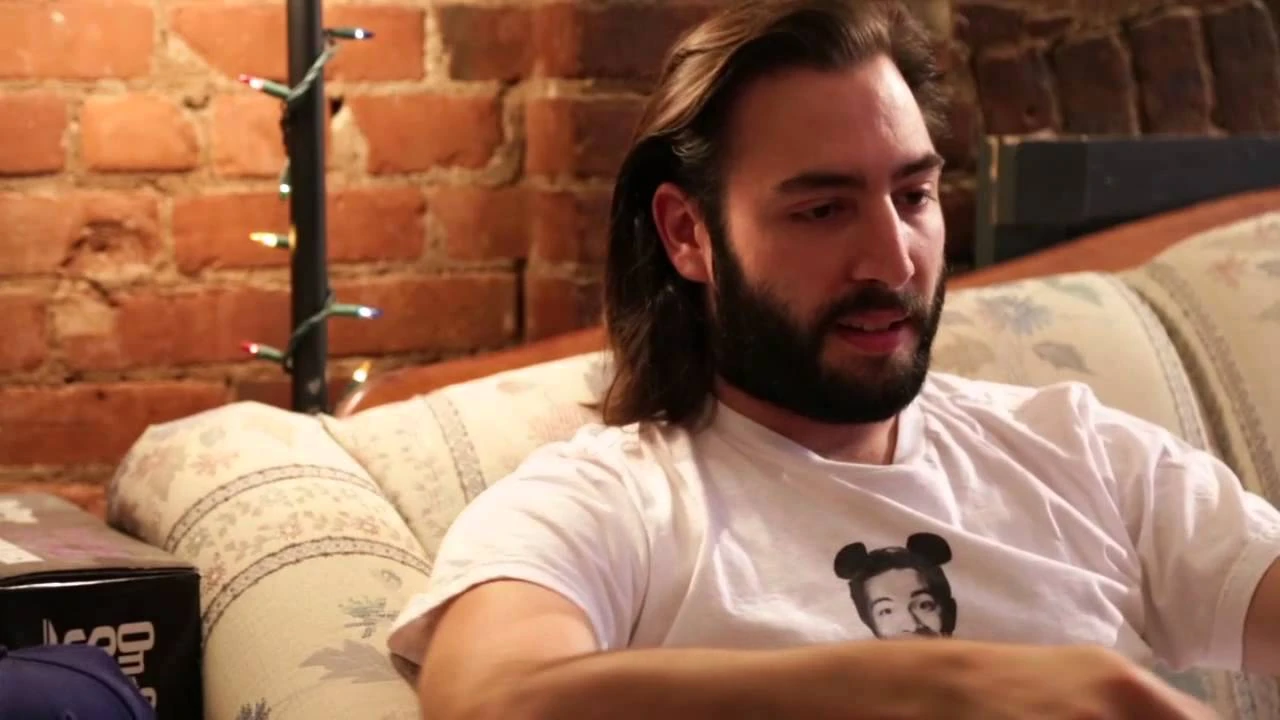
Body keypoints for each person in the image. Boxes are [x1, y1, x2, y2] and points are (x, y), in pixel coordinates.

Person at [387, 1, 1280, 718]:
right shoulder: (607, 502)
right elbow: (492, 699)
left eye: (914, 195)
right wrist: (945, 688)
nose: (892, 262)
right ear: (688, 233)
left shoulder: (1078, 454)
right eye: (822, 211)